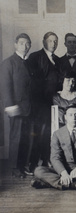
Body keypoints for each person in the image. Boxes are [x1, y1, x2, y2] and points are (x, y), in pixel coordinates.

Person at [32, 104, 76, 191]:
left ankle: (49, 183)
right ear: (65, 117)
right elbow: (55, 157)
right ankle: (75, 185)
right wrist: (63, 173)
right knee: (38, 170)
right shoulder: (57, 134)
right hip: (63, 167)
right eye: (70, 115)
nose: (74, 117)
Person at [27, 31, 61, 169]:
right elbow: (33, 81)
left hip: (53, 102)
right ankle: (33, 163)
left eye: (55, 41)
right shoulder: (35, 57)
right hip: (38, 102)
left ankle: (46, 159)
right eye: (50, 41)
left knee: (49, 132)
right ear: (44, 42)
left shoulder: (58, 60)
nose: (53, 44)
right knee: (36, 132)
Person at [0, 33, 32, 177]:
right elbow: (5, 86)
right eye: (21, 43)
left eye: (27, 44)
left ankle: (23, 165)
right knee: (16, 137)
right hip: (16, 107)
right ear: (15, 45)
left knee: (27, 137)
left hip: (29, 107)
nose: (24, 46)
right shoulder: (8, 62)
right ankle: (14, 168)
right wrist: (10, 106)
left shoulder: (30, 63)